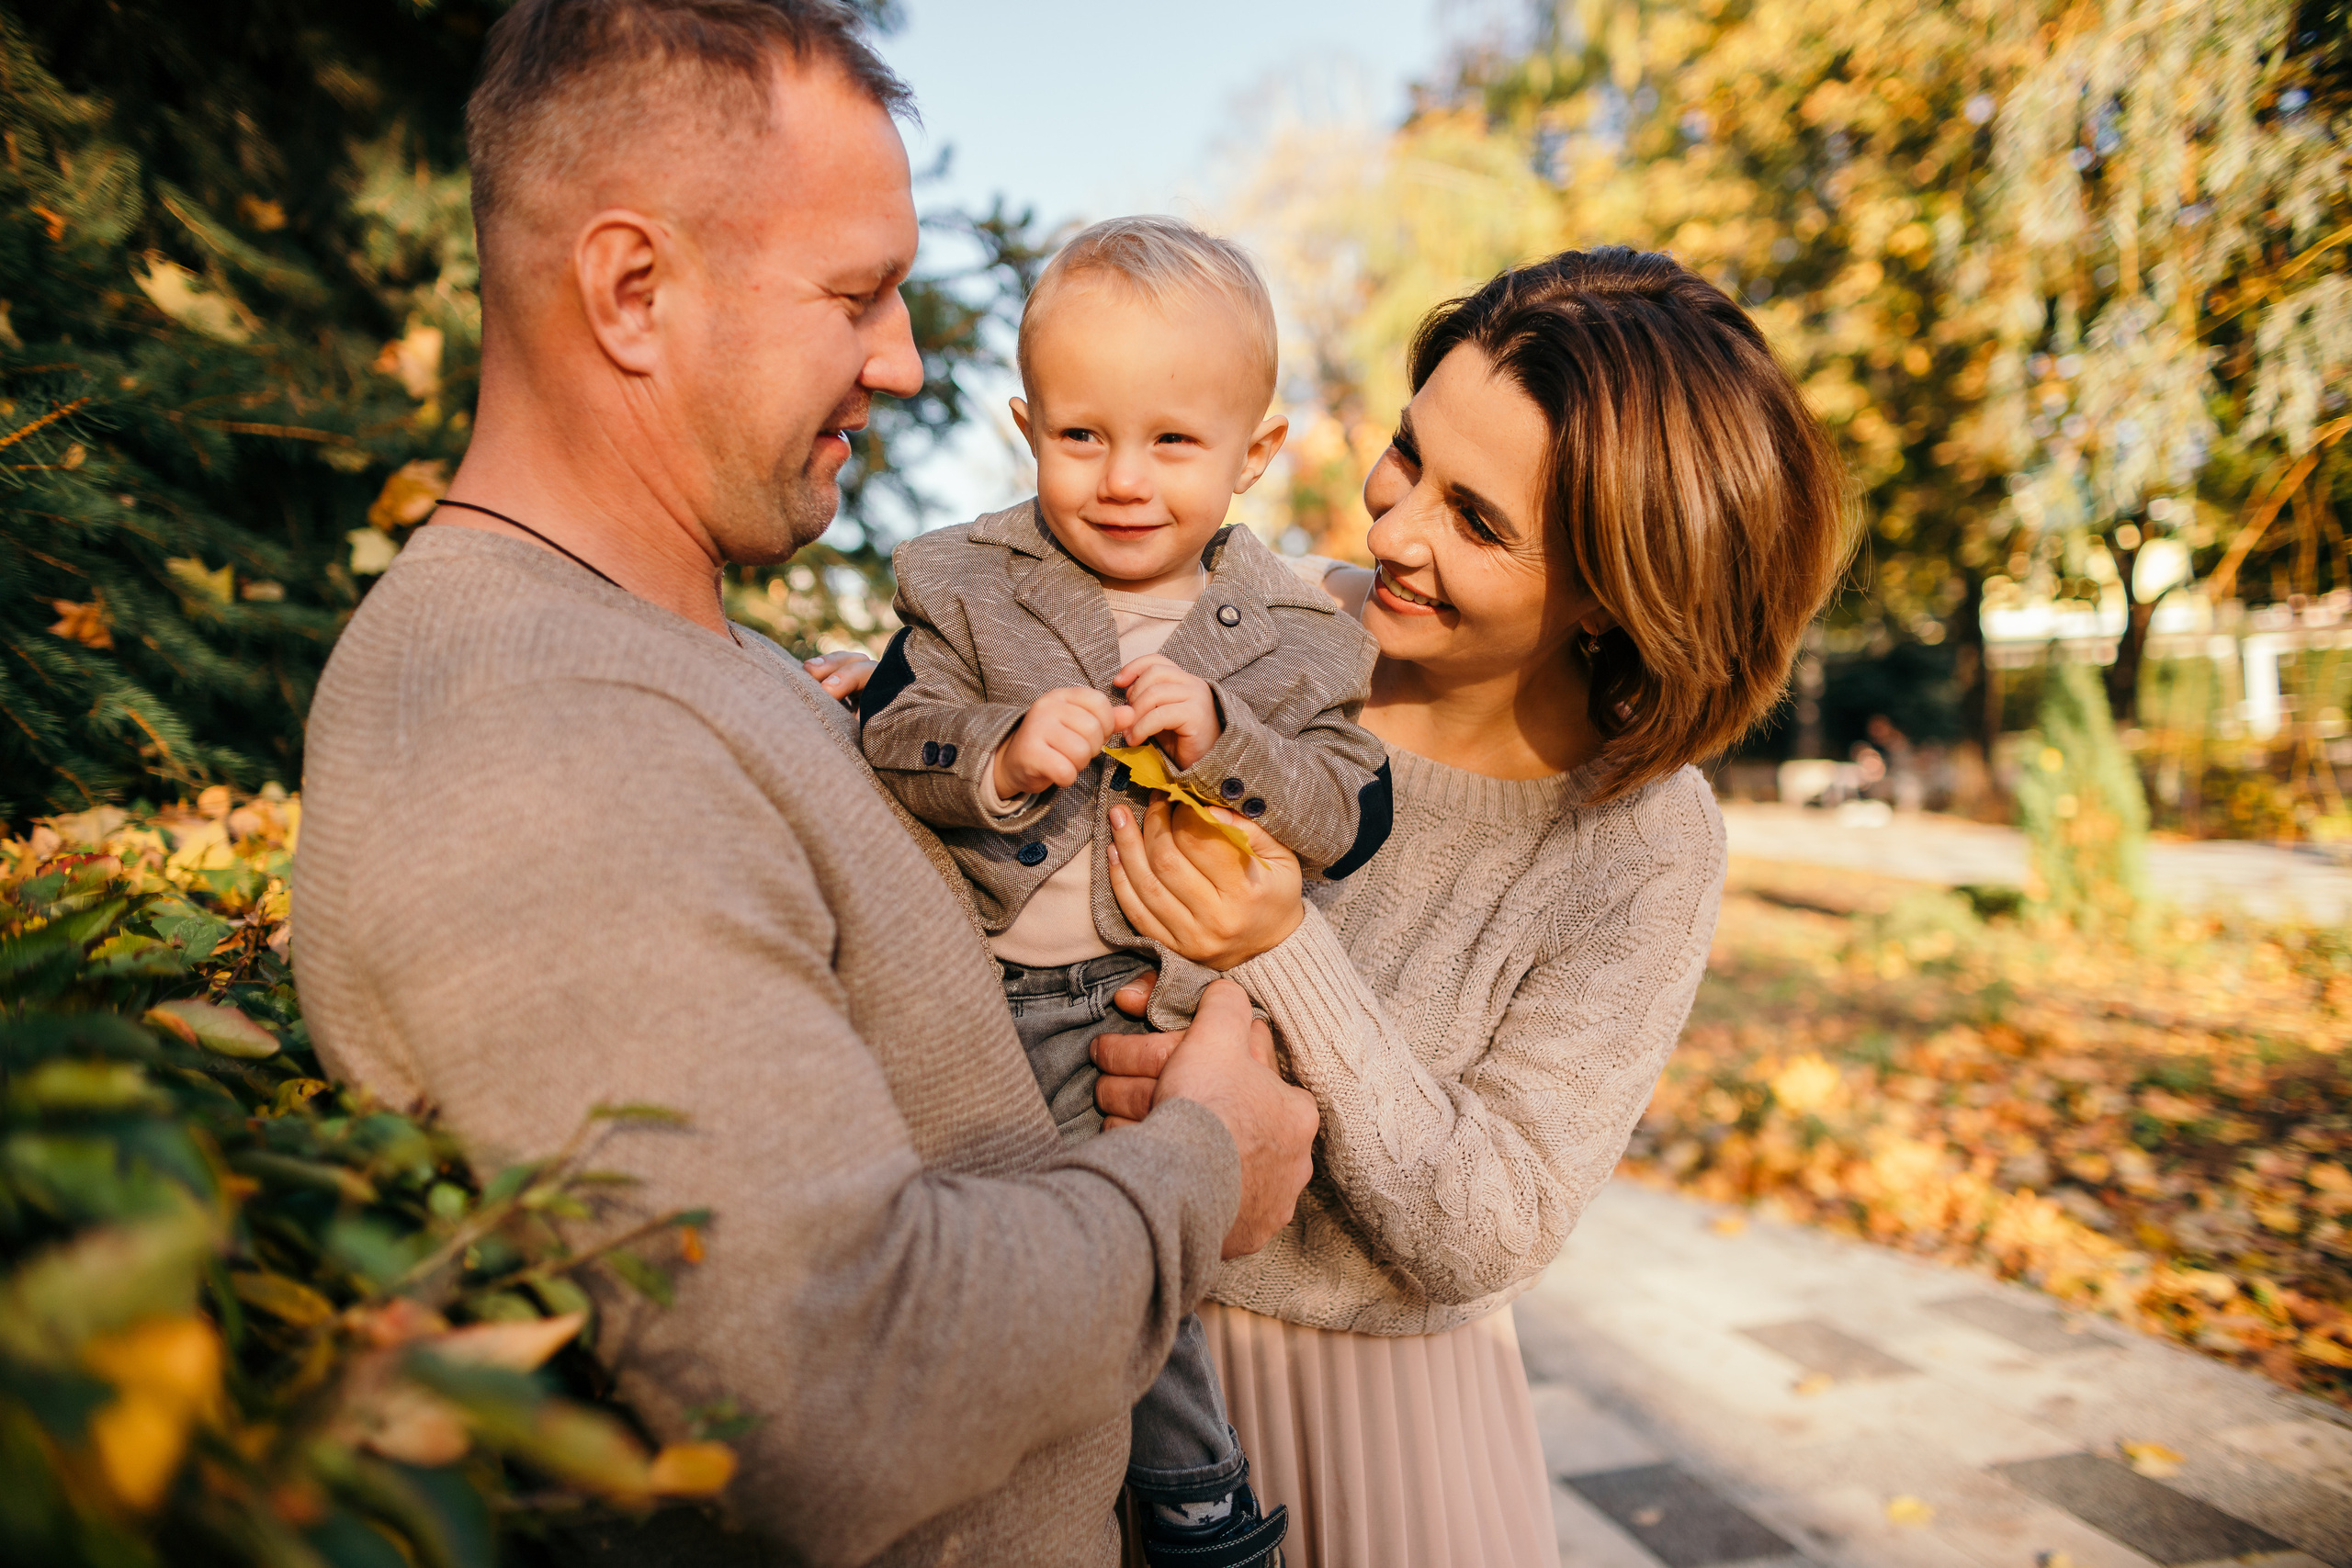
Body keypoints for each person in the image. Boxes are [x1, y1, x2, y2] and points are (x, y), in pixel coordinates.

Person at [291, 4, 1317, 1566]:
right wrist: (1202, 1166)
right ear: (633, 292)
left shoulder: (701, 663)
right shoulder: (541, 735)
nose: (903, 364)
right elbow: (843, 1390)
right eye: (856, 297)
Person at [1090, 248, 1854, 1565]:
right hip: (1099, 1359)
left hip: (1373, 1431)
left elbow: (1493, 1225)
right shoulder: (1247, 620)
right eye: (1407, 454)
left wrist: (1284, 952)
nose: (1393, 532)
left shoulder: (1642, 842)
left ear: (1617, 595)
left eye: (1479, 522)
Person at [858, 217, 1388, 1567]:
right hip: (987, 991)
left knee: (1126, 1253)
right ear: (1028, 427)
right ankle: (1098, 1493)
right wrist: (997, 752)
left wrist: (1227, 738)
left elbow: (1342, 813)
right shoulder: (964, 581)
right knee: (1019, 1252)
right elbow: (890, 732)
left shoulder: (1300, 631)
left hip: (1166, 1002)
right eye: (1082, 436)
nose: (1125, 479)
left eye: (1174, 441)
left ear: (1255, 452)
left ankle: (1191, 1498)